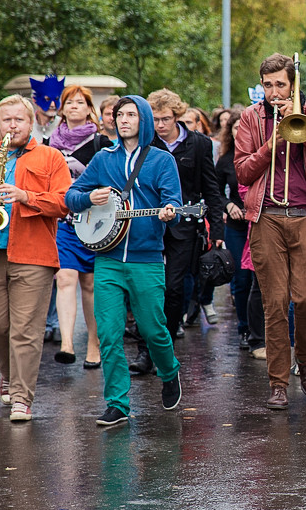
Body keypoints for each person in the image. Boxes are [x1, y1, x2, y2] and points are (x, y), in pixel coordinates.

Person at [66, 96, 184, 426]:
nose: (124, 120)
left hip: (146, 260)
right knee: (109, 332)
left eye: (131, 114)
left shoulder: (162, 161)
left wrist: (170, 212)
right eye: (120, 115)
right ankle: (117, 402)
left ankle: (169, 370)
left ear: (143, 119)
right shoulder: (103, 159)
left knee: (152, 329)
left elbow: (173, 205)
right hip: (107, 258)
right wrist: (90, 197)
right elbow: (71, 197)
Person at [0, 96, 70, 421]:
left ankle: (21, 397)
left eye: (19, 120)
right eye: (7, 120)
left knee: (26, 331)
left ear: (31, 122)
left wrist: (25, 196)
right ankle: (10, 373)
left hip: (34, 255)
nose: (13, 126)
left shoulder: (51, 157)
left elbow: (63, 202)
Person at [234, 53, 306, 410]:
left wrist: (301, 127)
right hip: (267, 218)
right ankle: (278, 382)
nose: (274, 91)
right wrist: (272, 144)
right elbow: (243, 173)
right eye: (268, 84)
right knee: (274, 303)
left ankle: (304, 359)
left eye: (280, 84)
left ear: (293, 84)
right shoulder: (250, 118)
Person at [146, 88, 225, 341]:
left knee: (174, 286)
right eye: (155, 119)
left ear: (177, 116)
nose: (160, 125)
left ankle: (166, 340)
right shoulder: (146, 142)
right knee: (148, 286)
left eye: (165, 119)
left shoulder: (199, 143)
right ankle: (146, 346)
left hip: (185, 223)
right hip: (149, 223)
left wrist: (217, 231)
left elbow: (211, 189)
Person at [47, 84, 109, 369]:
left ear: (88, 108)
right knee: (65, 278)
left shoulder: (101, 144)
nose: (73, 106)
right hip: (62, 223)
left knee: (91, 284)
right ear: (62, 108)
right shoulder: (49, 143)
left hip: (95, 223)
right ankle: (68, 343)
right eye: (68, 102)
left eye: (79, 102)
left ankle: (93, 344)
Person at [215, 112, 252, 346]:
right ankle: (245, 327)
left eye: (244, 128)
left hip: (260, 223)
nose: (240, 132)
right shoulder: (226, 160)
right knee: (241, 278)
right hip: (237, 227)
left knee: (262, 279)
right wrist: (228, 205)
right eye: (236, 128)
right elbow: (214, 192)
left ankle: (263, 327)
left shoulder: (261, 156)